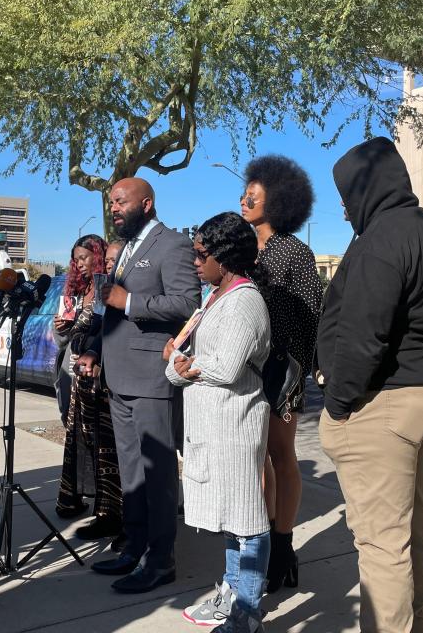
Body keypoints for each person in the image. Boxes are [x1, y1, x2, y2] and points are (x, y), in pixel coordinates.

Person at [316, 137, 423, 633]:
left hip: (385, 407)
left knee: (384, 546)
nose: (344, 210)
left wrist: (338, 404)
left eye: (346, 196)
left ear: (366, 187)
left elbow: (363, 335)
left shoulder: (380, 240)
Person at [78, 178, 199, 594]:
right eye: (111, 202)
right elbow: (107, 308)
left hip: (151, 378)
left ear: (146, 204)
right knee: (131, 471)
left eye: (120, 201)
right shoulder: (125, 248)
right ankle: (135, 546)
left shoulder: (173, 245)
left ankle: (161, 559)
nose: (113, 208)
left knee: (157, 472)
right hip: (118, 375)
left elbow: (187, 303)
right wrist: (93, 348)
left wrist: (128, 302)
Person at [167, 213, 271, 633]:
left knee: (248, 523)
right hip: (212, 426)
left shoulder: (246, 301)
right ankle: (231, 594)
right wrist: (180, 366)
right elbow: (179, 357)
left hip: (235, 426)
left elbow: (225, 367)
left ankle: (247, 613)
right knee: (230, 520)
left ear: (224, 257)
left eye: (201, 254)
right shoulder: (212, 298)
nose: (195, 261)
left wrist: (181, 364)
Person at [239, 156, 321, 591]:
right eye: (244, 193)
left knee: (280, 454)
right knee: (260, 458)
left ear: (280, 199)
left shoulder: (296, 252)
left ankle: (283, 545)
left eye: (254, 194)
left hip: (281, 369)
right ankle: (267, 538)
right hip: (249, 369)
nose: (245, 199)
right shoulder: (249, 251)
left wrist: (300, 371)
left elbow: (311, 315)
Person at [53, 234, 123, 541]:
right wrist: (61, 329)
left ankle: (108, 509)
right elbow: (64, 341)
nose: (80, 264)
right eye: (76, 259)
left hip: (100, 379)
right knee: (80, 438)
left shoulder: (107, 290)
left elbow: (109, 331)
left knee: (103, 443)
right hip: (75, 377)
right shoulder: (78, 292)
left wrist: (93, 353)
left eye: (85, 257)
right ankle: (76, 497)